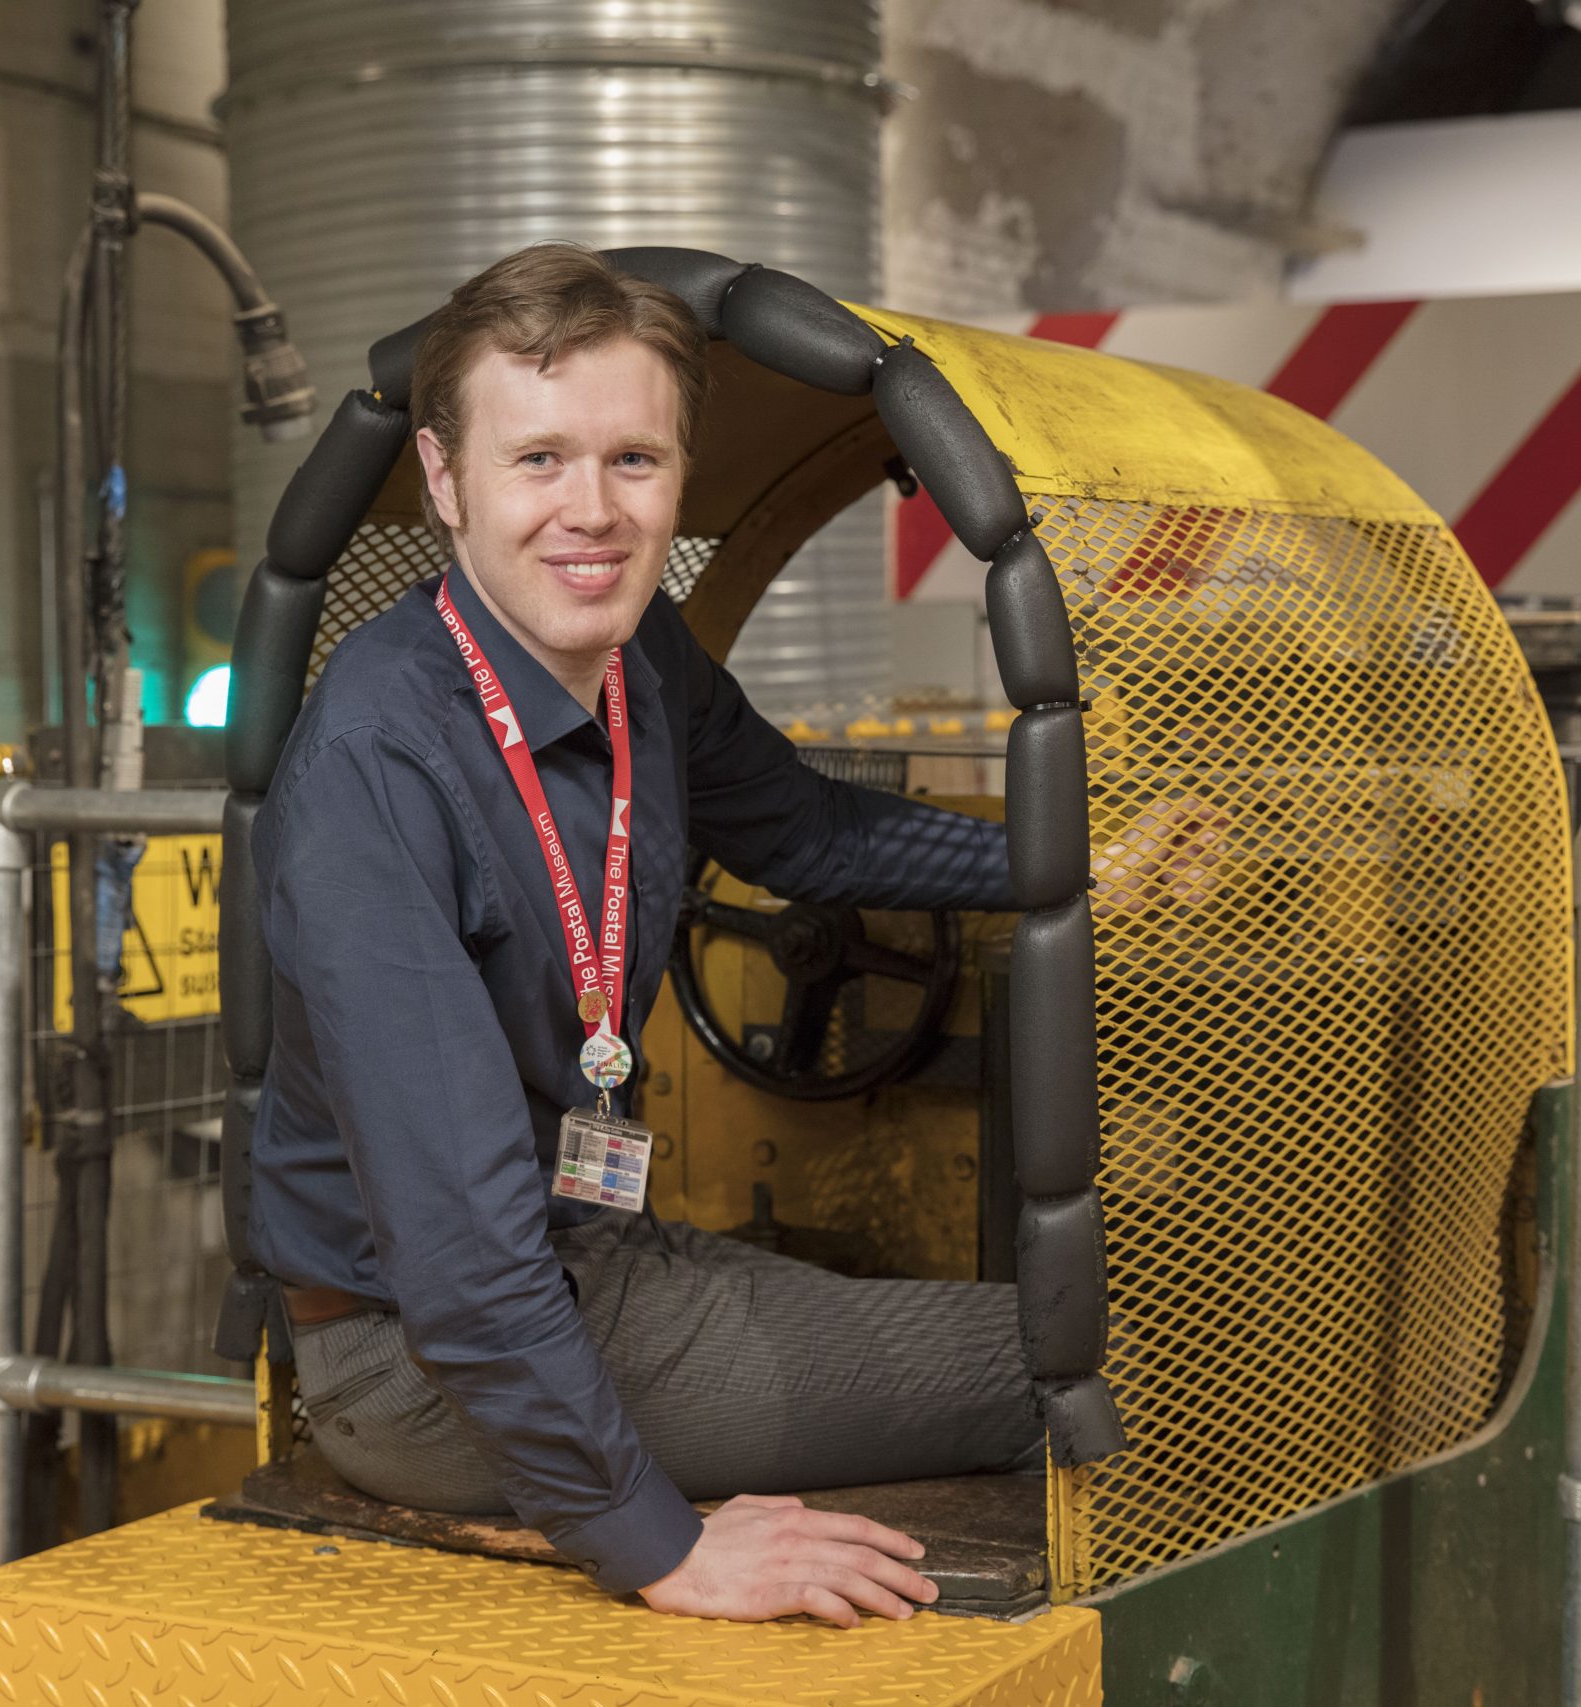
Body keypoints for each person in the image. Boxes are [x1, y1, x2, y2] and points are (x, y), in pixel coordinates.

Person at [249, 243, 1217, 1627]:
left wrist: (1076, 866)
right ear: (447, 484)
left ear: (680, 480)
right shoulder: (379, 766)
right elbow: (462, 1258)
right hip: (420, 1365)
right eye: (538, 462)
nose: (591, 511)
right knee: (1098, 1362)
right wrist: (661, 1548)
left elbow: (808, 834)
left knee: (1017, 1318)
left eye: (633, 460)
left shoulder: (641, 662)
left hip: (596, 1258)